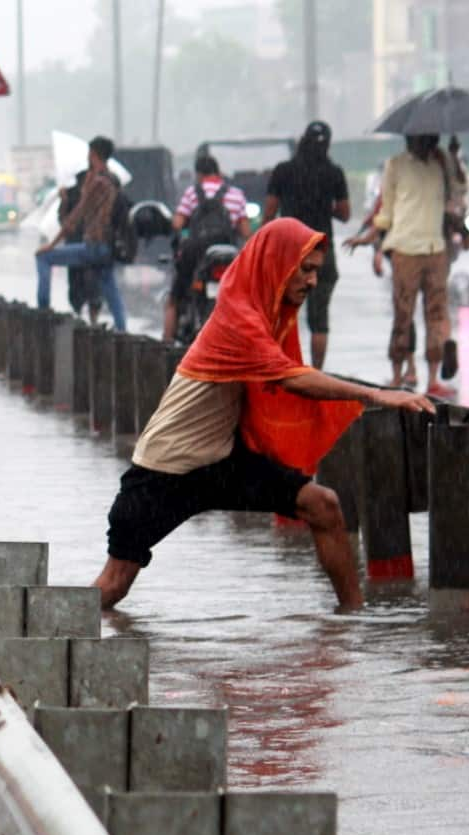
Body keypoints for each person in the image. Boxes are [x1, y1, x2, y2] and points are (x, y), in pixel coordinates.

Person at [93, 219, 435, 614]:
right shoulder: (238, 318)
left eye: (316, 273)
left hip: (221, 461)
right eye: (304, 269)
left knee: (323, 505)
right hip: (165, 471)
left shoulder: (266, 313)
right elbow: (293, 379)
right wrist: (375, 394)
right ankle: (42, 633)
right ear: (276, 263)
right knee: (113, 586)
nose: (311, 282)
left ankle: (351, 625)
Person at [343, 134, 467, 398]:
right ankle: (399, 375)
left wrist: (454, 156)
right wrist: (368, 238)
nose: (420, 143)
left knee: (435, 316)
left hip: (436, 250)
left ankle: (433, 379)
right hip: (404, 251)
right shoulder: (395, 165)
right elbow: (386, 212)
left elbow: (459, 190)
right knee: (403, 315)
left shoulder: (442, 162)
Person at [264, 121, 351, 369]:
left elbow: (269, 212)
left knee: (282, 312)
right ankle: (316, 372)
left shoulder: (283, 171)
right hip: (321, 251)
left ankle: (280, 369)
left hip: (288, 250)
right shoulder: (334, 173)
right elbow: (345, 213)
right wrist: (324, 206)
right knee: (319, 319)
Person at [35, 135, 127, 331]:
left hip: (93, 245)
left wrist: (51, 245)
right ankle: (121, 327)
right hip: (108, 246)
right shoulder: (114, 181)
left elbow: (75, 217)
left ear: (93, 154)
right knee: (110, 288)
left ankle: (42, 313)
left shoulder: (96, 183)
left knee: (43, 258)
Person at [164, 154, 251, 343]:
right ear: (218, 173)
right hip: (227, 254)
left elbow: (177, 223)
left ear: (198, 174)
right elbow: (245, 231)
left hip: (196, 252)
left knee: (174, 297)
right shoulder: (236, 194)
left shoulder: (192, 193)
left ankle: (167, 344)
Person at [58, 168, 104, 325]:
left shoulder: (100, 196)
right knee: (78, 284)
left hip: (90, 247)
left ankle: (93, 320)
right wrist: (64, 201)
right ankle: (81, 316)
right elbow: (64, 222)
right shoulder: (71, 195)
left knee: (92, 285)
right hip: (76, 246)